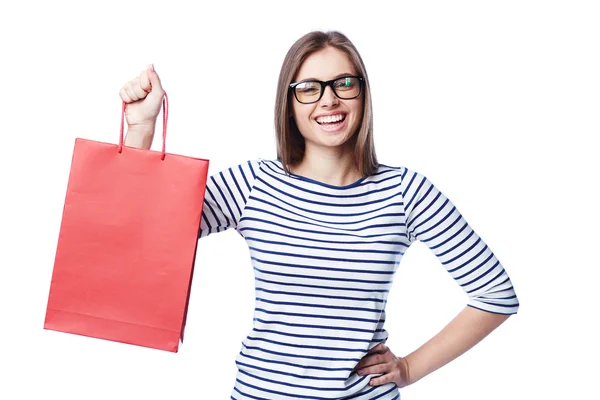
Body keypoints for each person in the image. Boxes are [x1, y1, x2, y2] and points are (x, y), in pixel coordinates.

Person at [120, 30, 519, 400]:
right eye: (309, 88)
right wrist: (140, 130)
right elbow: (146, 229)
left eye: (344, 84)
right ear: (289, 104)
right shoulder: (254, 183)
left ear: (363, 94)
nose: (329, 100)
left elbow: (495, 295)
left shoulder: (405, 192)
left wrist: (409, 368)